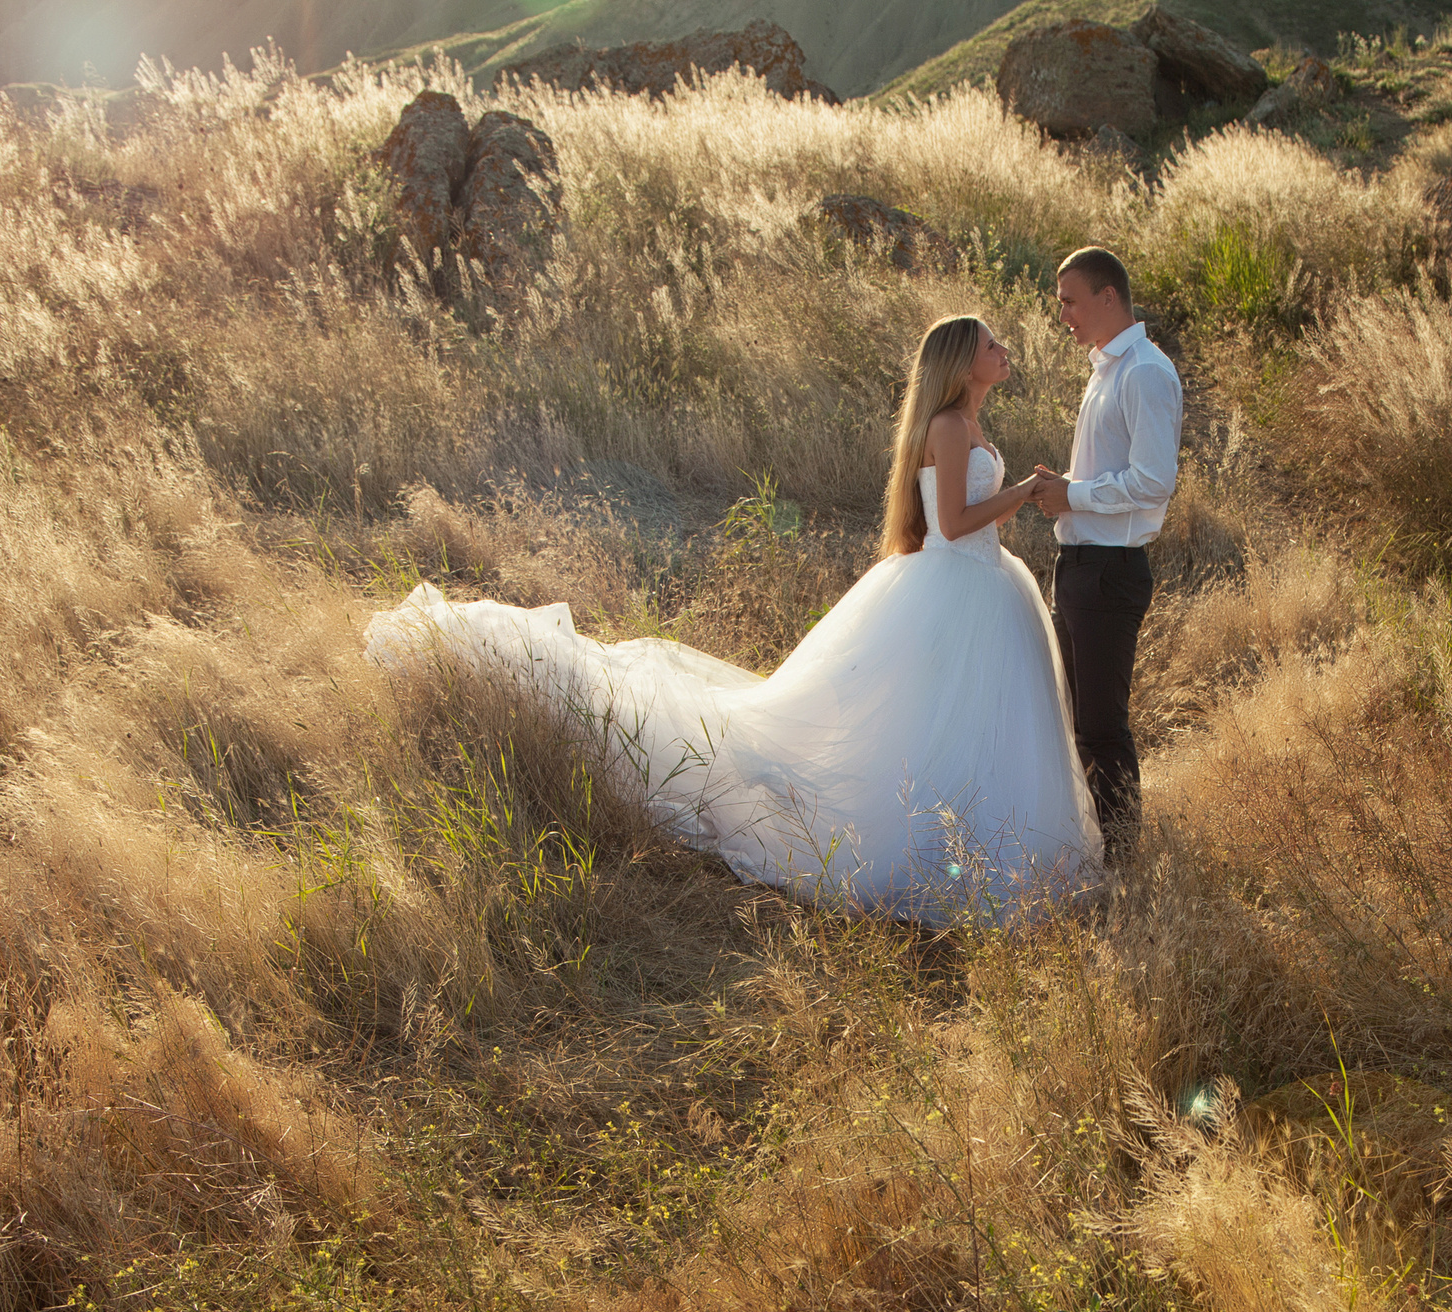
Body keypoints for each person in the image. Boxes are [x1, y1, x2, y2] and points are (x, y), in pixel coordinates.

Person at [364, 315, 1101, 926]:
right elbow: (952, 518)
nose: (1004, 349)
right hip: (953, 580)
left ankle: (980, 843)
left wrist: (1019, 494)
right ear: (960, 361)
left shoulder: (967, 422)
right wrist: (1027, 492)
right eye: (992, 344)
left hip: (979, 584)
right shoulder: (946, 423)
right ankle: (923, 846)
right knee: (923, 718)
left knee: (960, 718)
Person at [1027, 246, 1181, 866]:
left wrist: (1073, 494)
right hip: (1083, 566)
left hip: (1110, 571)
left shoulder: (1144, 371)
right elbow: (1111, 474)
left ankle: (1120, 866)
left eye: (1069, 299)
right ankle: (1095, 846)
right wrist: (1064, 487)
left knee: (1101, 726)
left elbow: (1153, 482)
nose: (1062, 312)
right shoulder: (1107, 369)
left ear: (1108, 296)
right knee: (1080, 718)